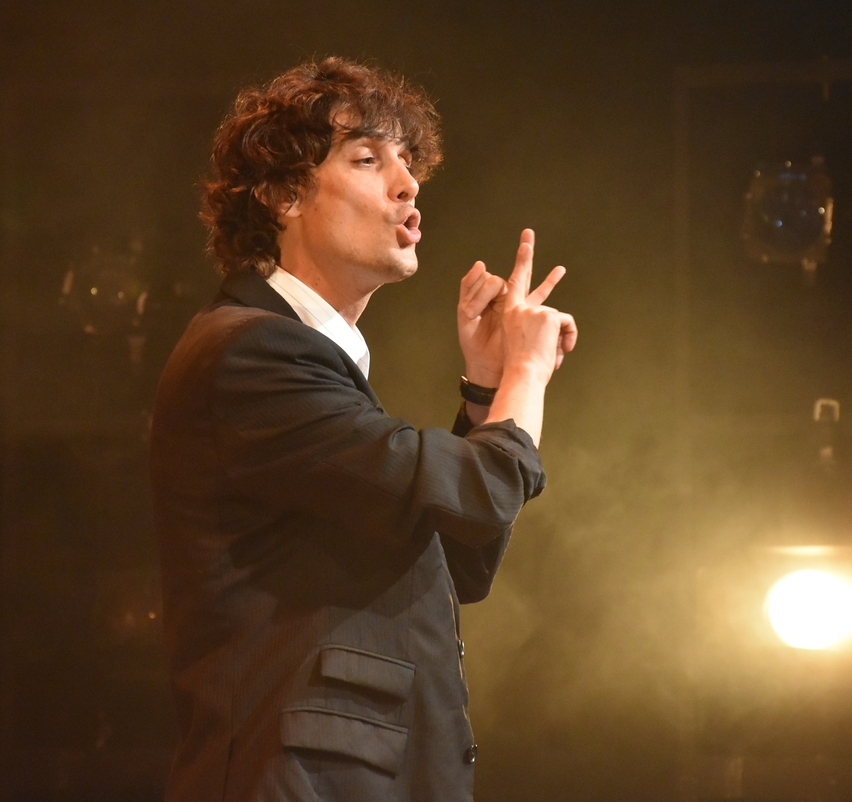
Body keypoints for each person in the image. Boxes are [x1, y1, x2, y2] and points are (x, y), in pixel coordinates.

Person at [150, 56, 577, 802]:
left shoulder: (301, 358)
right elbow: (483, 491)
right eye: (368, 159)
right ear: (283, 195)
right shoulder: (252, 352)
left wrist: (485, 388)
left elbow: (457, 557)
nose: (407, 184)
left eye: (408, 162)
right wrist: (526, 370)